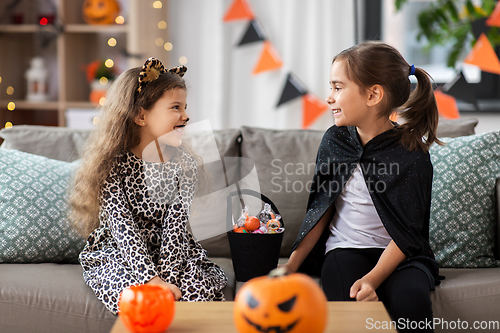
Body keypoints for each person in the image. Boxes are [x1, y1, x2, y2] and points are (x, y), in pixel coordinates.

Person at [281, 41, 442, 332]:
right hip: (345, 249)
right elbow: (321, 209)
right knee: (344, 296)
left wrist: (373, 279)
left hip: (402, 255)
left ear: (373, 95)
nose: (329, 98)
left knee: (411, 299)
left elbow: (407, 234)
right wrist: (290, 267)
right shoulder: (335, 141)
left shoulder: (412, 153)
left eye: (337, 87)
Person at [70, 57, 227, 314]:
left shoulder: (184, 165)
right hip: (122, 252)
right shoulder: (112, 165)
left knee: (196, 287)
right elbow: (123, 228)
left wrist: (167, 279)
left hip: (171, 254)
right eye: (176, 107)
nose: (186, 116)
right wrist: (151, 280)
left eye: (185, 107)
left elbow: (176, 228)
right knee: (135, 296)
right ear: (141, 115)